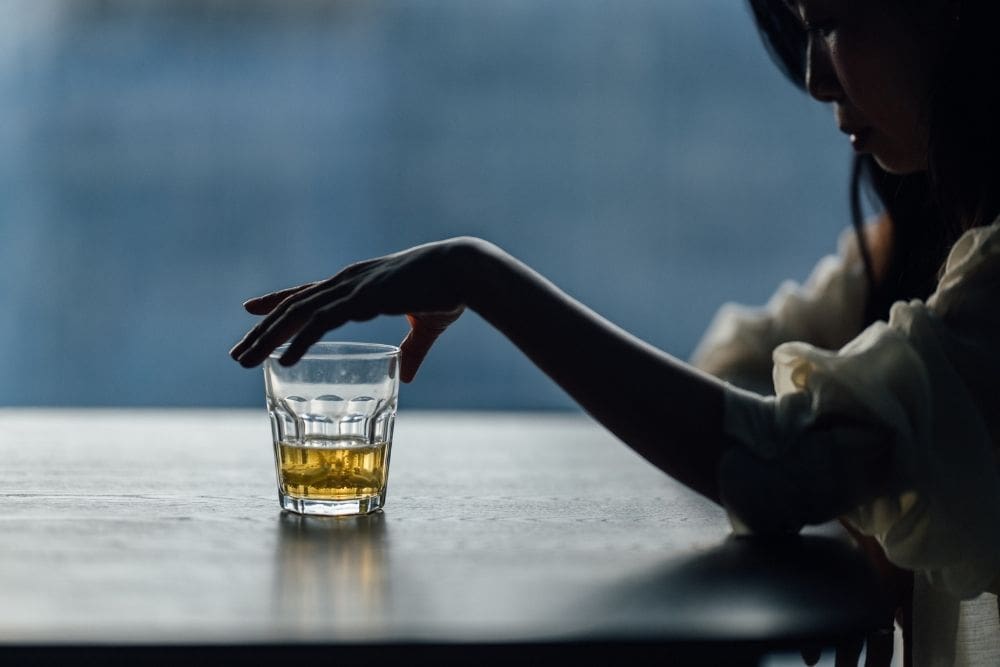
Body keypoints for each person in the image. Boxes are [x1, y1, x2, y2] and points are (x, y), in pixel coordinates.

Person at [230, 1, 1000, 665]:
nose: (812, 76)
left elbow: (783, 460)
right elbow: (738, 372)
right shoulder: (925, 246)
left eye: (831, 24)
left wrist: (478, 273)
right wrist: (873, 491)